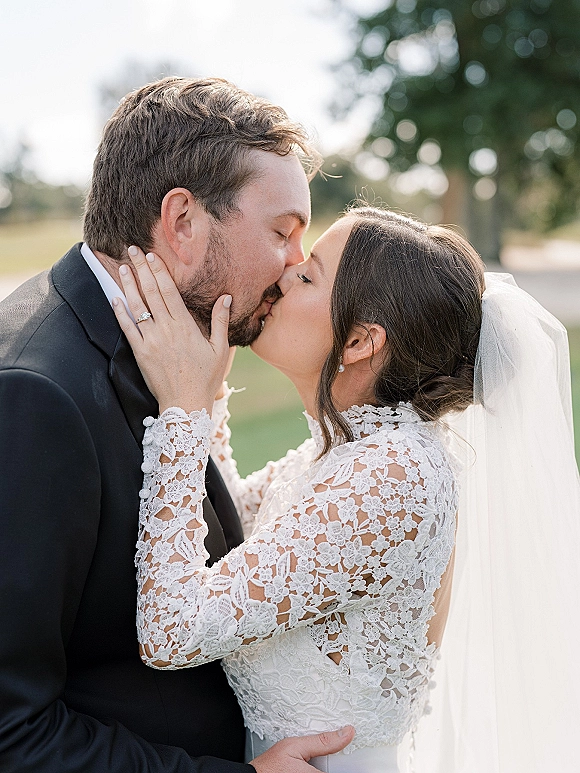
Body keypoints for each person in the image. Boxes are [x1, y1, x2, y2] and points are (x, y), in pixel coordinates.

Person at [115, 205, 580, 773]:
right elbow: (229, 523)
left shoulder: (390, 479)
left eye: (308, 276)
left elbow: (171, 630)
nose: (283, 275)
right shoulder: (345, 454)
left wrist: (182, 412)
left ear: (361, 341)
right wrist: (207, 391)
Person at [0, 77, 355, 773]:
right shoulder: (36, 398)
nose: (293, 265)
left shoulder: (171, 355)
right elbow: (12, 730)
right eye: (282, 232)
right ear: (183, 222)